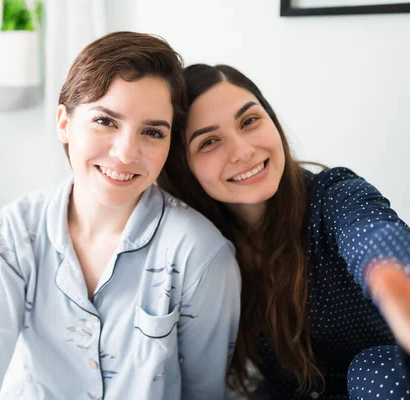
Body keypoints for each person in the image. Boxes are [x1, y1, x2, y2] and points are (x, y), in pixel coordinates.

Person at [0, 33, 241, 400]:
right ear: (64, 123)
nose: (125, 153)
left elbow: (205, 392)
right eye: (105, 121)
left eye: (152, 132)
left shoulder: (200, 255)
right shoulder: (17, 231)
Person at [157, 63, 410, 399]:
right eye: (209, 142)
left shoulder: (333, 196)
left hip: (383, 387)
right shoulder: (199, 245)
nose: (243, 151)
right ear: (183, 168)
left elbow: (373, 234)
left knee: (376, 367)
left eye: (249, 121)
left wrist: (392, 275)